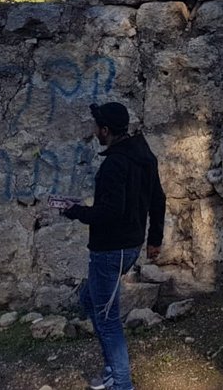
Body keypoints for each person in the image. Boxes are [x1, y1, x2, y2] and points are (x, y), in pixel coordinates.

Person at [62, 101, 166, 390]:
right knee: (88, 301)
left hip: (111, 250)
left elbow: (109, 212)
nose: (95, 131)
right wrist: (154, 239)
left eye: (97, 126)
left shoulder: (114, 165)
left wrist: (76, 210)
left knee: (107, 320)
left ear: (106, 130)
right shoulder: (143, 155)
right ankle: (112, 372)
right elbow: (159, 199)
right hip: (128, 246)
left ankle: (121, 384)